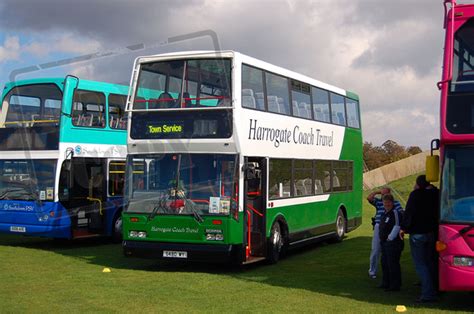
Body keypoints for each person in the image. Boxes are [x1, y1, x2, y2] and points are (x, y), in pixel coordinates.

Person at [400, 175, 439, 303]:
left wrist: (404, 228)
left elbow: (409, 213)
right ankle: (435, 288)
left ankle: (428, 293)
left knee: (420, 264)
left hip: (417, 233)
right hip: (432, 232)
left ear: (418, 184)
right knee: (430, 262)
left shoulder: (416, 195)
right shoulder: (435, 194)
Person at [367, 187, 403, 279]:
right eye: (383, 195)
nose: (384, 197)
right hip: (379, 226)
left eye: (386, 194)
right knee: (375, 250)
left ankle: (389, 273)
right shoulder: (379, 202)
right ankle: (372, 271)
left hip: (390, 227)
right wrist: (377, 192)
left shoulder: (396, 204)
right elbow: (369, 198)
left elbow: (400, 214)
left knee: (388, 250)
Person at [379, 194, 404, 291]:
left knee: (392, 264)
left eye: (388, 202)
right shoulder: (384, 213)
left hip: (393, 243)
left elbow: (397, 226)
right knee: (384, 263)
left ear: (392, 203)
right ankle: (386, 282)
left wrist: (390, 238)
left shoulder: (395, 213)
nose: (386, 204)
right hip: (384, 243)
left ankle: (395, 285)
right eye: (385, 202)